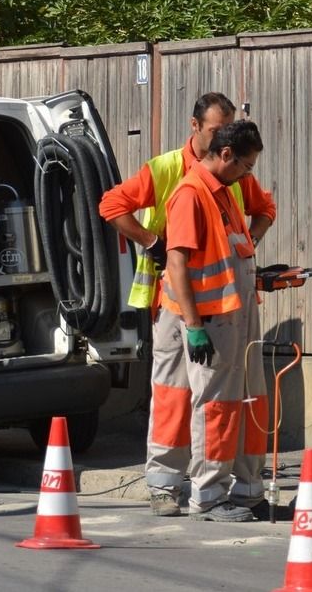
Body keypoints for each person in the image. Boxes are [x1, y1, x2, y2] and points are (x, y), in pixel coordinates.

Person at [99, 94, 275, 517]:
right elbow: (171, 254)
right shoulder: (180, 182)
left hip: (215, 311)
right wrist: (151, 243)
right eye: (218, 130)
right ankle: (179, 485)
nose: (248, 175)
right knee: (187, 396)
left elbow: (248, 227)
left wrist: (245, 259)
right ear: (198, 128)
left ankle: (221, 485)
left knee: (212, 397)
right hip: (188, 310)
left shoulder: (227, 184)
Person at [160, 119, 269, 521]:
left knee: (243, 401)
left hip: (234, 320)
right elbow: (177, 262)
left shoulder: (223, 193)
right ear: (225, 155)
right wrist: (193, 326)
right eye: (245, 166)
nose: (247, 175)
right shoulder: (191, 194)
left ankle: (244, 490)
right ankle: (208, 496)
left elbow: (232, 251)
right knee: (216, 407)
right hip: (212, 323)